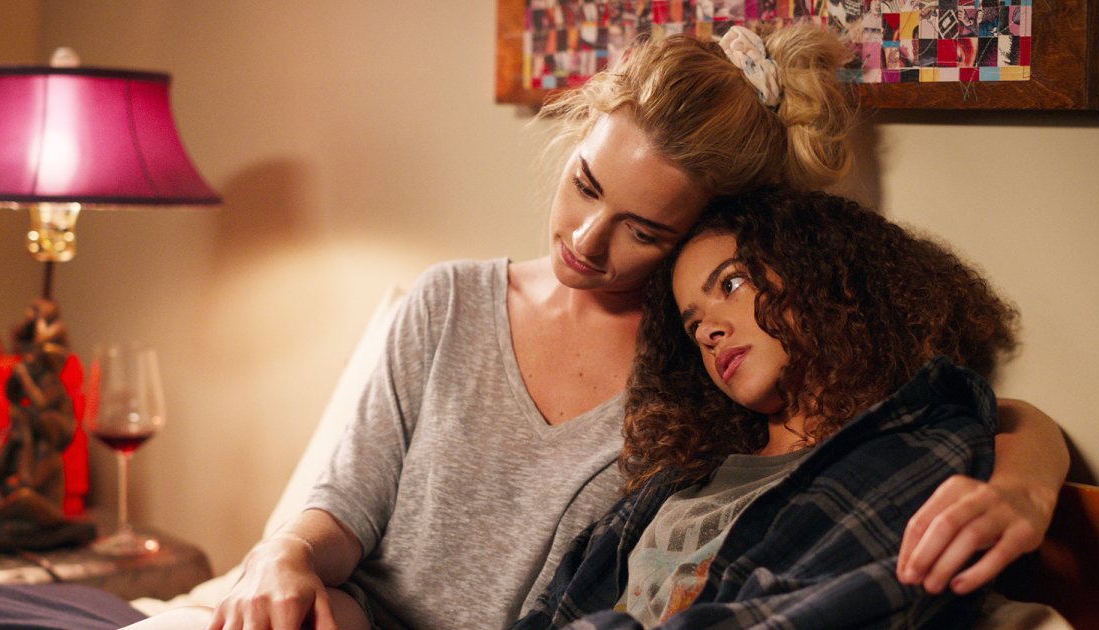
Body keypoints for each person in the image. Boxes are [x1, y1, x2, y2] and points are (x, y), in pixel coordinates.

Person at [196, 25, 1065, 630]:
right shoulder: (445, 301)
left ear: (705, 232)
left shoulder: (708, 369)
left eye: (643, 231)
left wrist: (1026, 487)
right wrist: (282, 555)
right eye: (584, 184)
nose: (584, 241)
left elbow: (946, 416)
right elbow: (340, 508)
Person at [512, 187, 1023, 629]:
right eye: (693, 326)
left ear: (823, 272)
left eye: (731, 284)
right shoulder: (676, 483)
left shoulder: (914, 450)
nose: (708, 332)